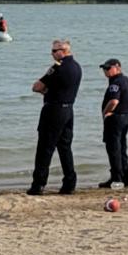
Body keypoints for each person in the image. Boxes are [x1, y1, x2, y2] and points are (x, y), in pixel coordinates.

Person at [28, 39, 82, 195]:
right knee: (65, 148)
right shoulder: (77, 67)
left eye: (54, 51)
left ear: (62, 51)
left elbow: (36, 87)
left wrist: (47, 92)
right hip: (68, 109)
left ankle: (38, 185)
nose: (52, 54)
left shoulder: (57, 68)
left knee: (45, 148)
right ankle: (69, 183)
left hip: (54, 109)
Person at [97, 58, 128, 188]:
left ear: (117, 67)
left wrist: (106, 112)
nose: (106, 71)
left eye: (108, 68)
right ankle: (126, 177)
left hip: (115, 119)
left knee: (114, 148)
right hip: (125, 117)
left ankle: (116, 178)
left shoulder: (115, 83)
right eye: (104, 69)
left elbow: (114, 101)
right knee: (122, 148)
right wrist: (127, 108)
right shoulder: (127, 80)